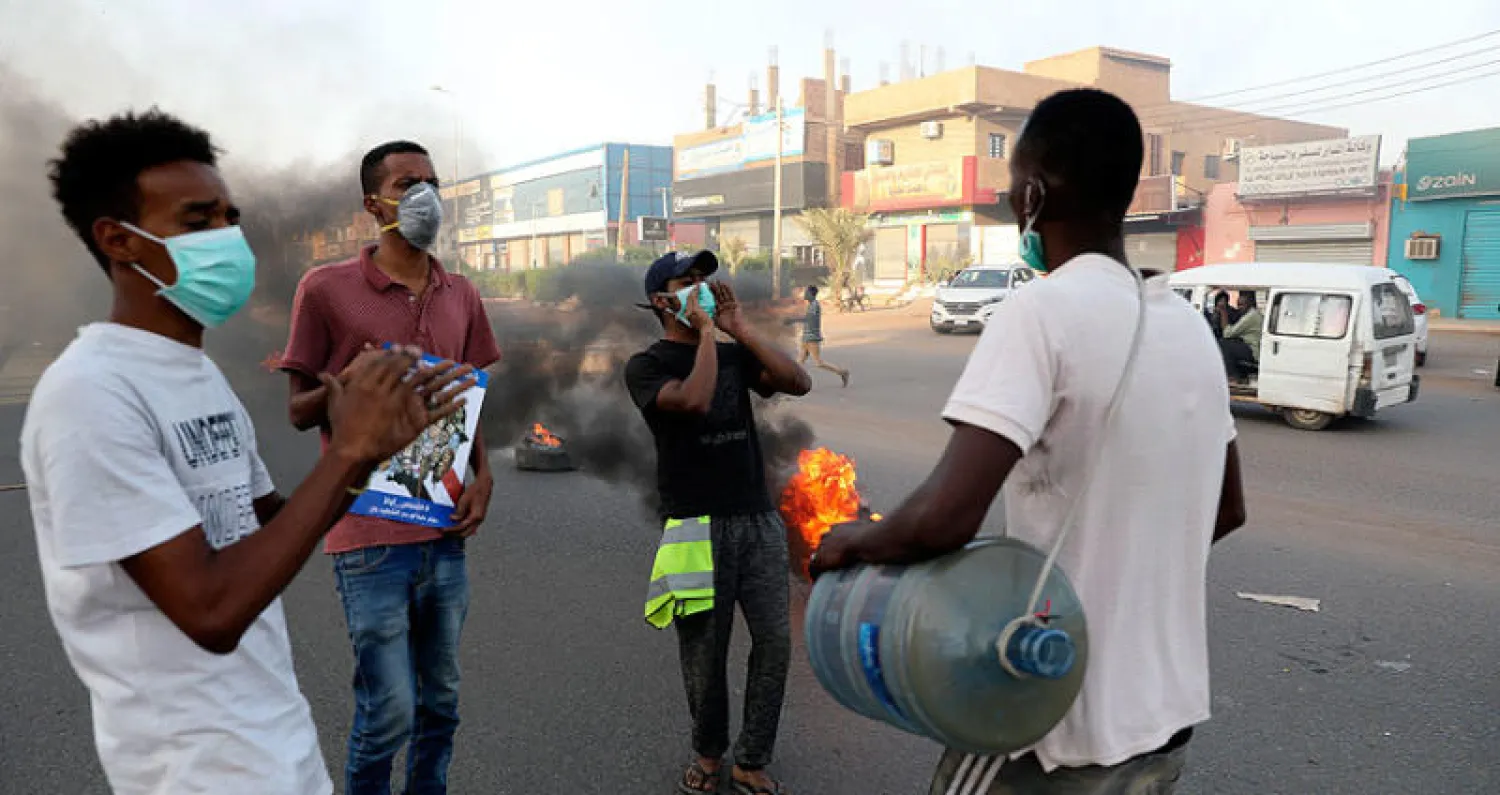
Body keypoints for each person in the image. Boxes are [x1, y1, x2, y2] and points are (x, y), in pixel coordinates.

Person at [811, 89, 1247, 794]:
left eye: (1015, 187)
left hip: (1051, 717)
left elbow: (947, 515)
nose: (1014, 202)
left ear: (1035, 195)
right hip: (1164, 725)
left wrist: (852, 540)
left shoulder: (1040, 312)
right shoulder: (1189, 327)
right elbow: (1225, 511)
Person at [23, 110, 471, 795]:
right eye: (199, 220)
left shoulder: (198, 375)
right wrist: (348, 453)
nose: (227, 239)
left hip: (280, 750)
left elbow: (271, 522)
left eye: (230, 218)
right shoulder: (87, 394)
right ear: (119, 239)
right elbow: (210, 610)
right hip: (195, 776)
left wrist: (385, 447)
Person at [280, 140, 503, 795]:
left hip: (444, 531)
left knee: (443, 704)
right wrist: (347, 382)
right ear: (370, 204)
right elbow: (298, 411)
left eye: (433, 181)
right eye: (408, 183)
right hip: (366, 531)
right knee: (389, 712)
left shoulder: (460, 292)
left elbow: (467, 393)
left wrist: (483, 475)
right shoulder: (324, 290)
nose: (425, 195)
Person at [624, 250, 812, 795]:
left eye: (705, 280)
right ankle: (709, 755)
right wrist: (708, 335)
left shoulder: (733, 354)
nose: (703, 288)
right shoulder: (647, 365)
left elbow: (797, 381)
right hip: (693, 527)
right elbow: (693, 401)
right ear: (662, 300)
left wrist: (739, 330)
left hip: (756, 518)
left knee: (774, 642)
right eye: (689, 282)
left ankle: (751, 758)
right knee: (706, 655)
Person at [795, 284, 850, 387]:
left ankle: (842, 372)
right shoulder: (811, 305)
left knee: (818, 363)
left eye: (806, 292)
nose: (804, 294)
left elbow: (807, 319)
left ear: (811, 294)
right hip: (806, 337)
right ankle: (794, 382)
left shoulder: (815, 305)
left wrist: (792, 320)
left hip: (812, 338)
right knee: (799, 361)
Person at [1219, 292, 1263, 382]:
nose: (1239, 308)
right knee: (1231, 344)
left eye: (1242, 305)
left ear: (1250, 304)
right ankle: (1240, 376)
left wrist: (1223, 311)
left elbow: (1227, 333)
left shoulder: (1251, 316)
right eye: (1238, 305)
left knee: (1223, 344)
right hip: (1249, 346)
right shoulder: (1251, 314)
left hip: (1253, 351)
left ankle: (1232, 376)